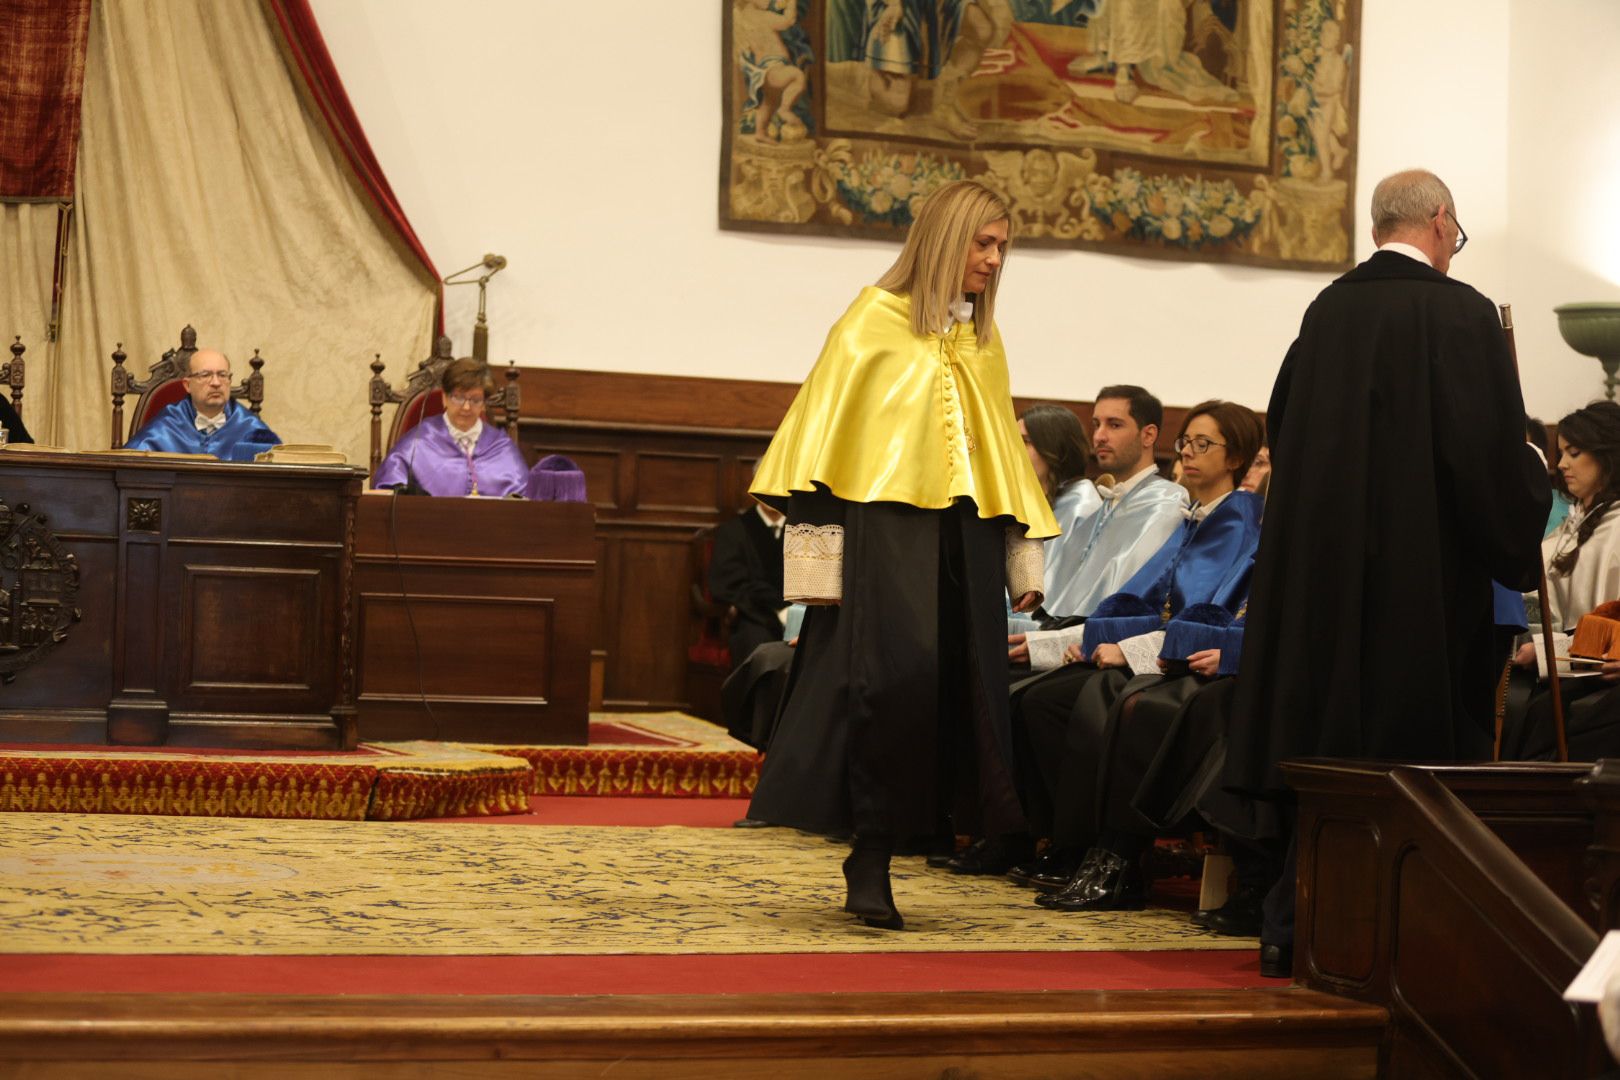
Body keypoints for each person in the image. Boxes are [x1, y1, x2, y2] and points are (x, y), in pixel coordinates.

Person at [1223, 169, 1550, 979]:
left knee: (1329, 751)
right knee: (1415, 763)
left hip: (1321, 595)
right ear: (1441, 222)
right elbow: (1485, 462)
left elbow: (1286, 436)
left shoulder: (1325, 313)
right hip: (1422, 596)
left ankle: (1291, 929)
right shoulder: (1463, 313)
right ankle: (1408, 942)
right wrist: (1530, 484)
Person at [745, 179, 1058, 930]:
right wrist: (815, 576)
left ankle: (918, 837)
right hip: (885, 537)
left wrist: (1023, 562)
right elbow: (819, 453)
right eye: (983, 244)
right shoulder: (869, 321)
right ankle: (871, 852)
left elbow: (1002, 464)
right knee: (889, 686)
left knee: (962, 688)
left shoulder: (982, 341)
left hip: (966, 541)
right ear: (946, 240)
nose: (993, 260)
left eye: (1002, 248)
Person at [1009, 401, 1263, 896]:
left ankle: (1113, 854)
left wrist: (1128, 652)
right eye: (1185, 442)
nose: (1187, 453)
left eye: (1203, 444)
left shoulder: (1240, 521)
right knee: (1046, 698)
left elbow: (1203, 620)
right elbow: (1147, 603)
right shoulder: (1196, 519)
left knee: (1113, 698)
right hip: (1166, 653)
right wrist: (1074, 641)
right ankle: (1065, 842)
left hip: (1196, 663)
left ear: (1235, 458)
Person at [1009, 386, 1188, 671]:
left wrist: (1046, 641)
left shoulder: (1164, 501)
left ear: (1149, 435)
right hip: (1062, 635)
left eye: (1114, 425)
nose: (1099, 436)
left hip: (1106, 647)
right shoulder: (1108, 501)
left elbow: (1124, 600)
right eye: (1096, 424)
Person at [1504, 401, 1620, 759]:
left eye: (1575, 452)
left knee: (1537, 715)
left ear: (1607, 455)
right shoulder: (1579, 520)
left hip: (1589, 673)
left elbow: (1606, 630)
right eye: (1561, 453)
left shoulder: (1615, 531)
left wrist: (1543, 651)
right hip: (1549, 658)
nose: (1561, 465)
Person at [373, 358, 531, 497]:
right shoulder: (418, 441)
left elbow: (523, 500)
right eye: (459, 397)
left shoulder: (501, 446)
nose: (466, 407)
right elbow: (388, 492)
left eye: (475, 400)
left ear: (484, 404)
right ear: (444, 398)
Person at [1009, 403, 1099, 636]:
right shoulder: (1028, 499)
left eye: (1026, 442)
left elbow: (1056, 598)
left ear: (1056, 448)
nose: (1014, 450)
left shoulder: (1082, 505)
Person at [124, 347, 279, 462]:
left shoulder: (251, 428)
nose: (216, 383)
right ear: (187, 385)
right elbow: (127, 466)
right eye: (206, 375)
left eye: (222, 375)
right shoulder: (165, 426)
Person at [709, 499, 789, 675]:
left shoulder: (803, 530)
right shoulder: (733, 531)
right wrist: (775, 609)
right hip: (754, 615)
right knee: (758, 648)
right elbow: (728, 584)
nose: (772, 493)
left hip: (798, 614)